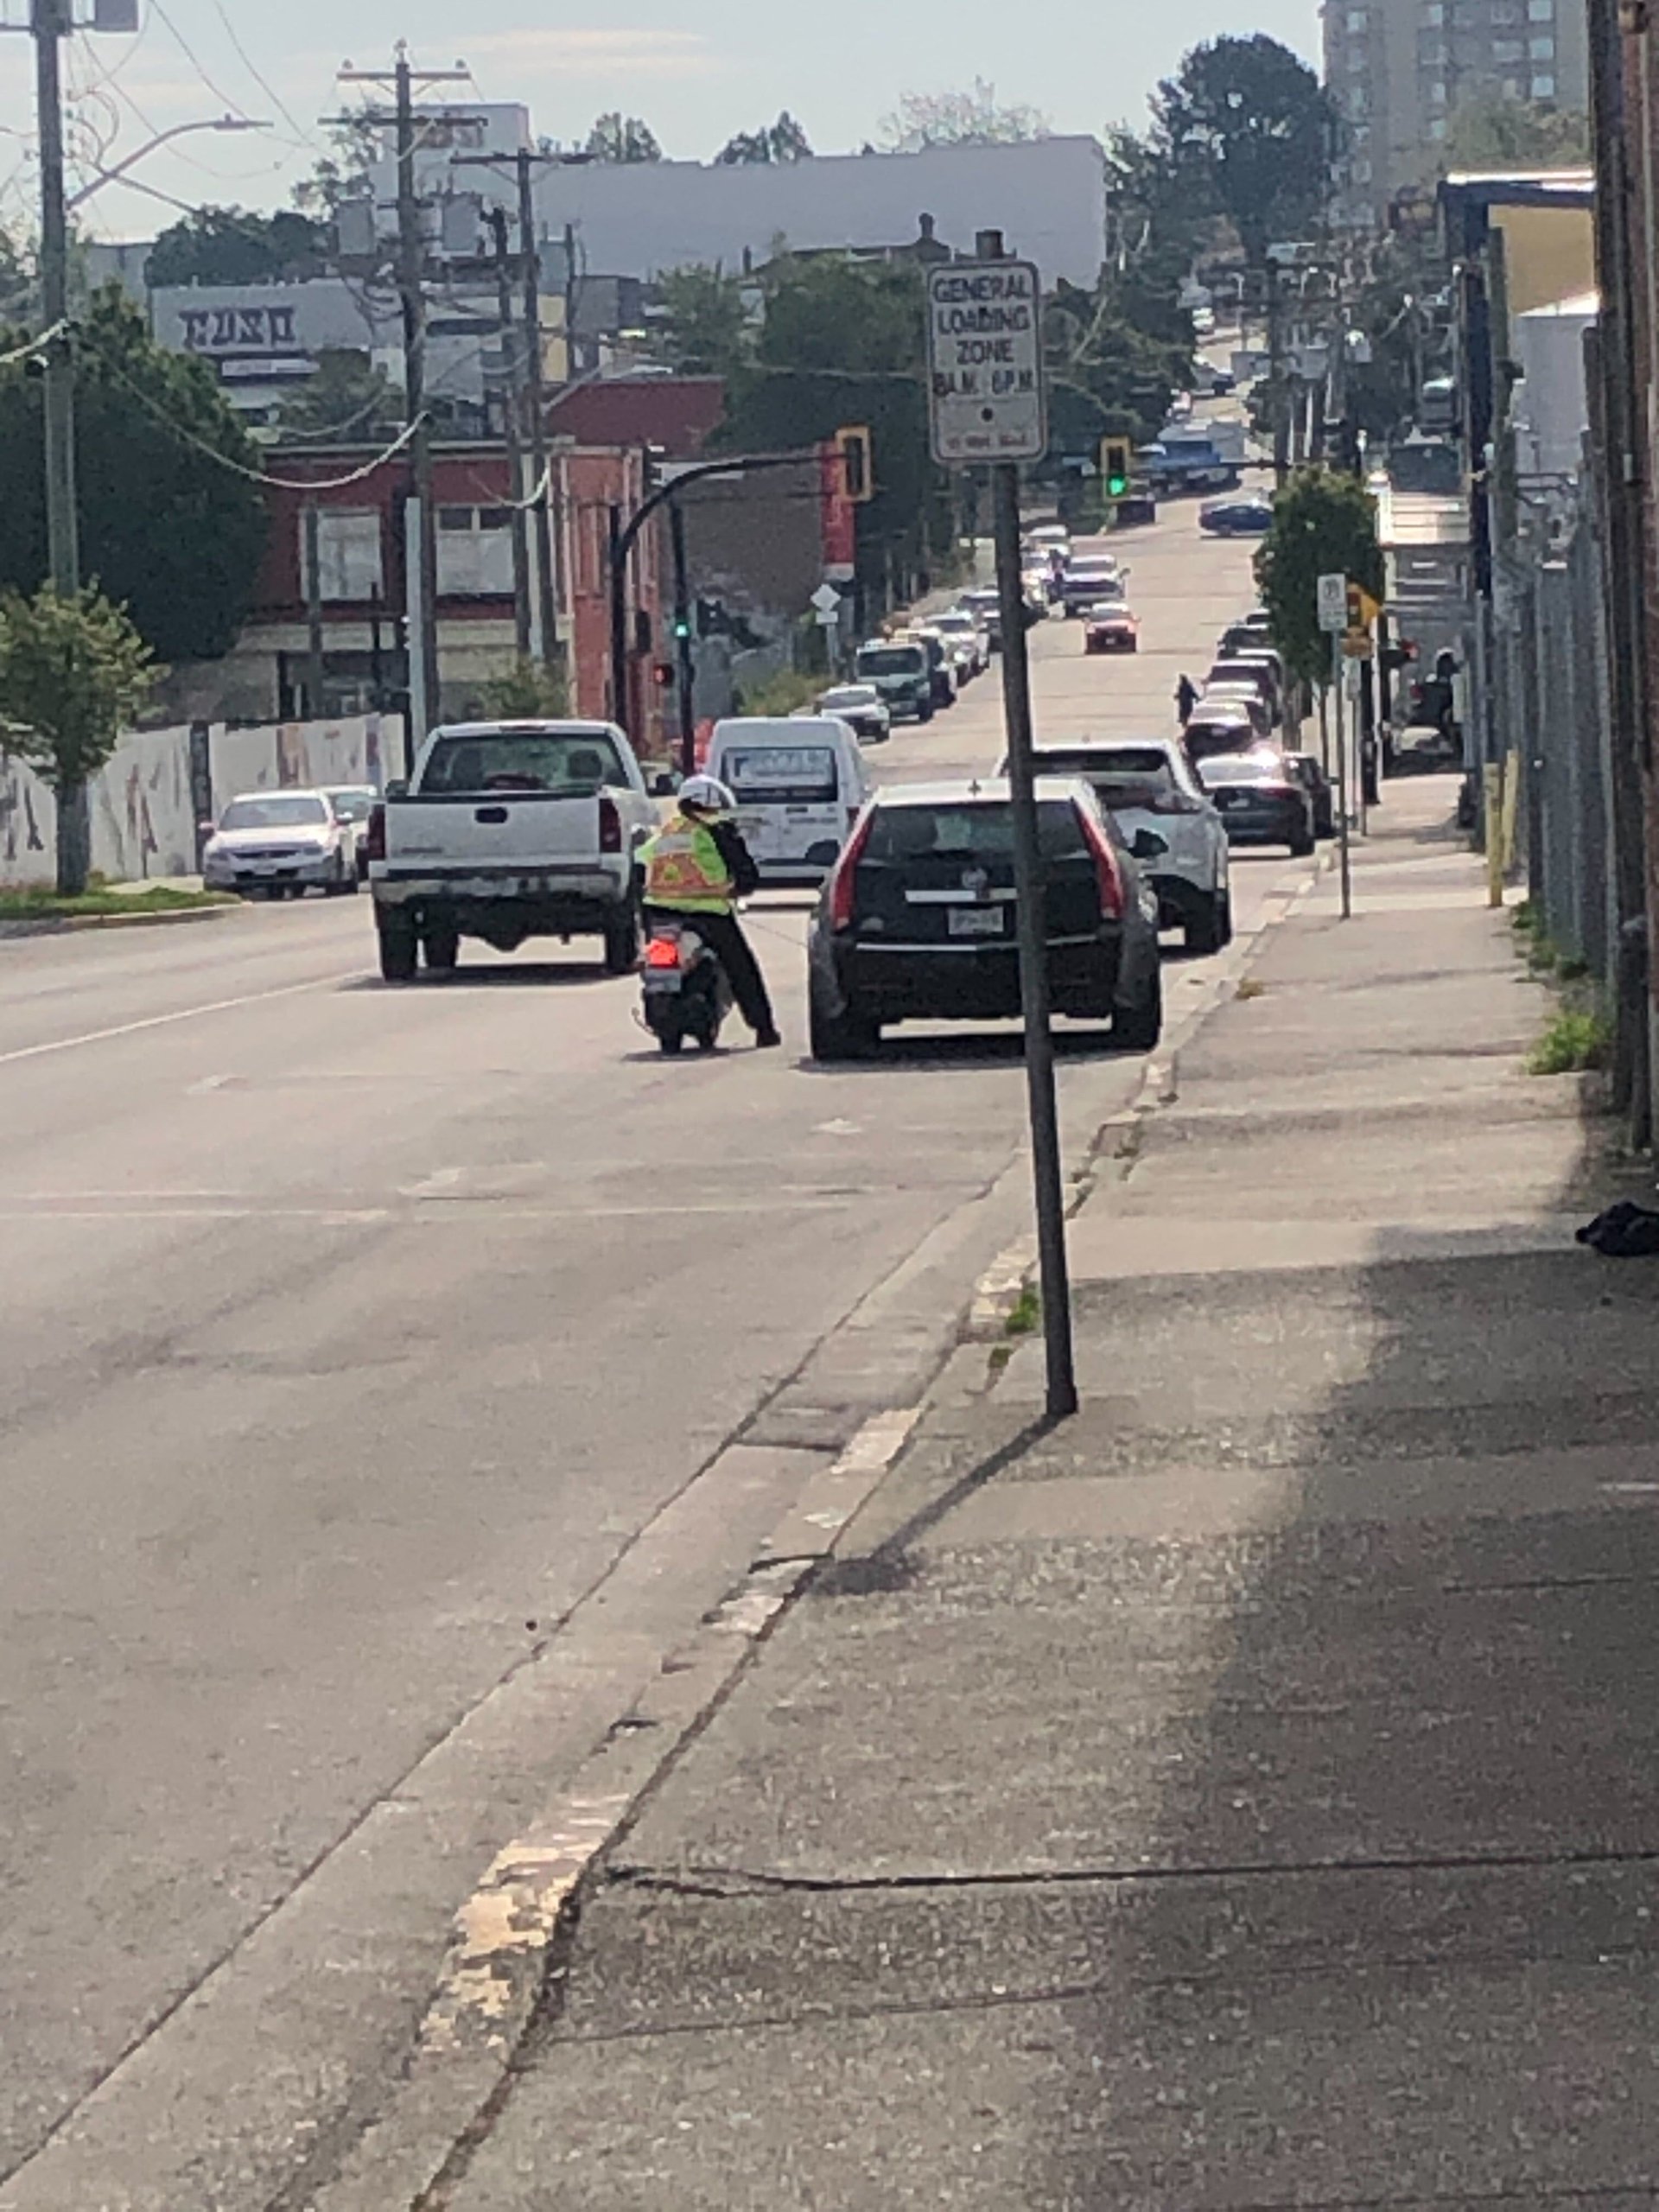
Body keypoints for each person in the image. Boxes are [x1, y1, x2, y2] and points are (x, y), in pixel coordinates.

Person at [639, 775, 780, 1048]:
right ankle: (763, 1028)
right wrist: (739, 886)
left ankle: (664, 1022)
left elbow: (641, 862)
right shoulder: (716, 829)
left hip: (660, 915)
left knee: (657, 962)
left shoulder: (667, 831)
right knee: (741, 968)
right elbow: (745, 872)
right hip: (709, 915)